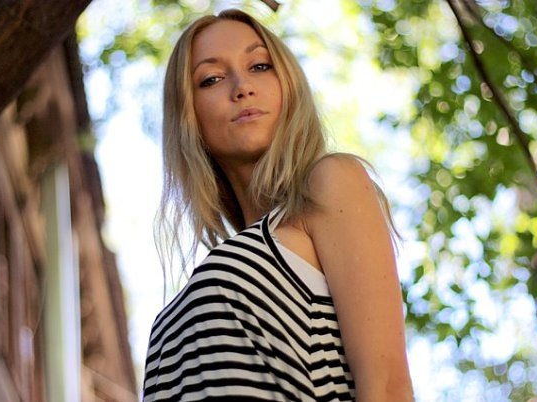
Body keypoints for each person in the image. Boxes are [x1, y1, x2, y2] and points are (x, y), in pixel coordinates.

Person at [143, 8, 413, 402]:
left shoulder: (331, 183)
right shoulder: (173, 319)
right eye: (212, 78)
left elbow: (387, 387)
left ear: (288, 84)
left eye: (259, 66)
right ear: (188, 114)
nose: (242, 87)